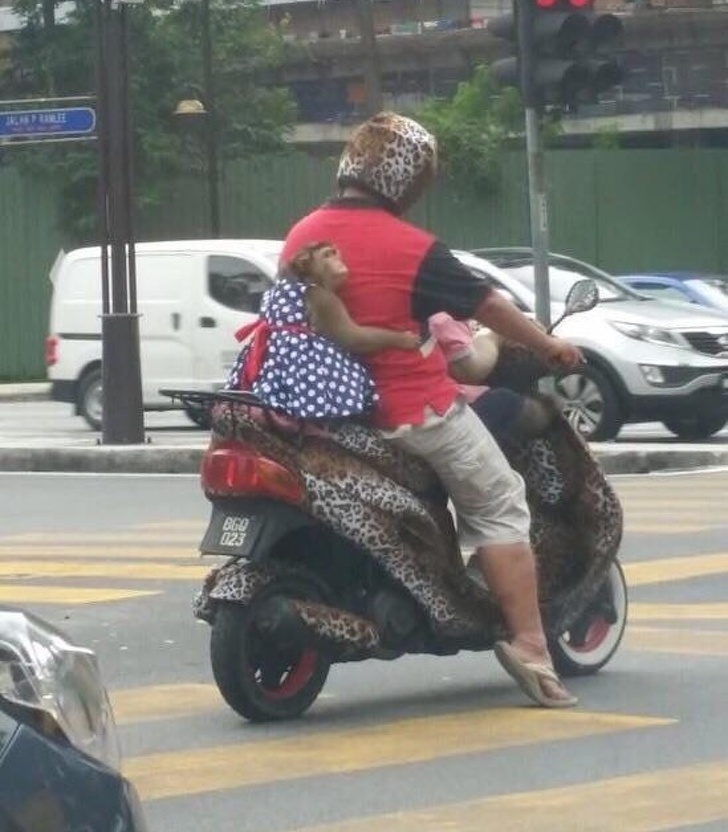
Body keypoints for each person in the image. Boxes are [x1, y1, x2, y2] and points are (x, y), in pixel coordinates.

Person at [280, 112, 583, 708]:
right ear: (409, 180)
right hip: (414, 412)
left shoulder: (301, 235)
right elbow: (488, 308)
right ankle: (530, 644)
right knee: (499, 501)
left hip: (328, 414)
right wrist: (548, 346)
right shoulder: (414, 248)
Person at [226, 241, 420, 421]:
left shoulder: (277, 291)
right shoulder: (317, 294)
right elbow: (353, 338)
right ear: (308, 266)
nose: (336, 259)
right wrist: (399, 339)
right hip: (306, 378)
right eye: (326, 255)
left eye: (335, 253)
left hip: (270, 375)